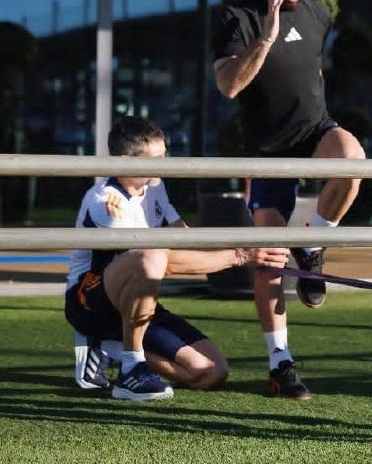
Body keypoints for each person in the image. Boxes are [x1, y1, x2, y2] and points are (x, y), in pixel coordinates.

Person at [213, 0, 365, 399]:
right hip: (267, 152)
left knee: (352, 159)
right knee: (270, 265)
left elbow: (312, 70)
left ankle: (314, 245)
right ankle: (280, 363)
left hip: (313, 132)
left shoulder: (320, 13)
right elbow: (229, 87)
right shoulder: (239, 16)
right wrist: (267, 38)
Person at [65, 116, 289, 401]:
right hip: (91, 303)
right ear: (127, 160)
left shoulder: (154, 185)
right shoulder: (106, 201)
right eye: (157, 158)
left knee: (211, 372)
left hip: (137, 298)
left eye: (165, 154)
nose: (166, 162)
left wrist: (248, 250)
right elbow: (162, 263)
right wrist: (240, 256)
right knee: (151, 255)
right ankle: (130, 369)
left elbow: (182, 238)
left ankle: (109, 347)